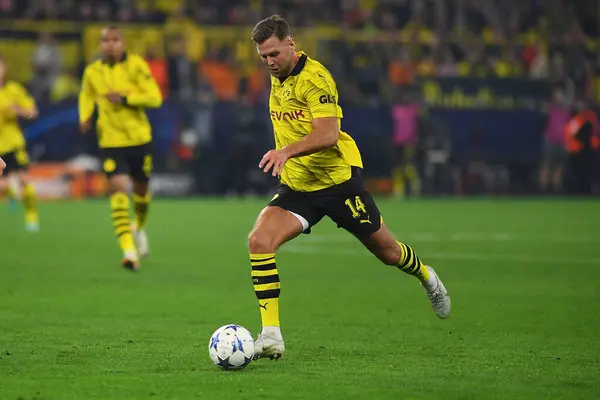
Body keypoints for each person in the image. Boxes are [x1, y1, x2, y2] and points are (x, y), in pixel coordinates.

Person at [247, 15, 451, 361]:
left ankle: (426, 275)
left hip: (338, 184)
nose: (269, 62)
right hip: (299, 187)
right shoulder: (278, 76)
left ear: (291, 44)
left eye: (274, 54)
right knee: (259, 240)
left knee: (388, 253)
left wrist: (285, 151)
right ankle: (271, 336)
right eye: (263, 57)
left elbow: (327, 134)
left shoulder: (316, 78)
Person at [78, 26, 162, 271]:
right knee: (117, 191)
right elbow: (85, 95)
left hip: (139, 138)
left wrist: (126, 99)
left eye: (115, 40)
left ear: (122, 43)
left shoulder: (136, 65)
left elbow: (155, 97)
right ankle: (128, 251)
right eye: (106, 40)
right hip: (111, 141)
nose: (110, 45)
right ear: (101, 44)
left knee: (141, 191)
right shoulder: (93, 71)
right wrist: (84, 116)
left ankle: (137, 227)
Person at [0, 56, 40, 231]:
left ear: (5, 68)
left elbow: (33, 112)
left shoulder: (13, 90)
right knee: (6, 184)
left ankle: (31, 215)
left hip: (13, 143)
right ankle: (10, 188)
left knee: (24, 181)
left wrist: (17, 109)